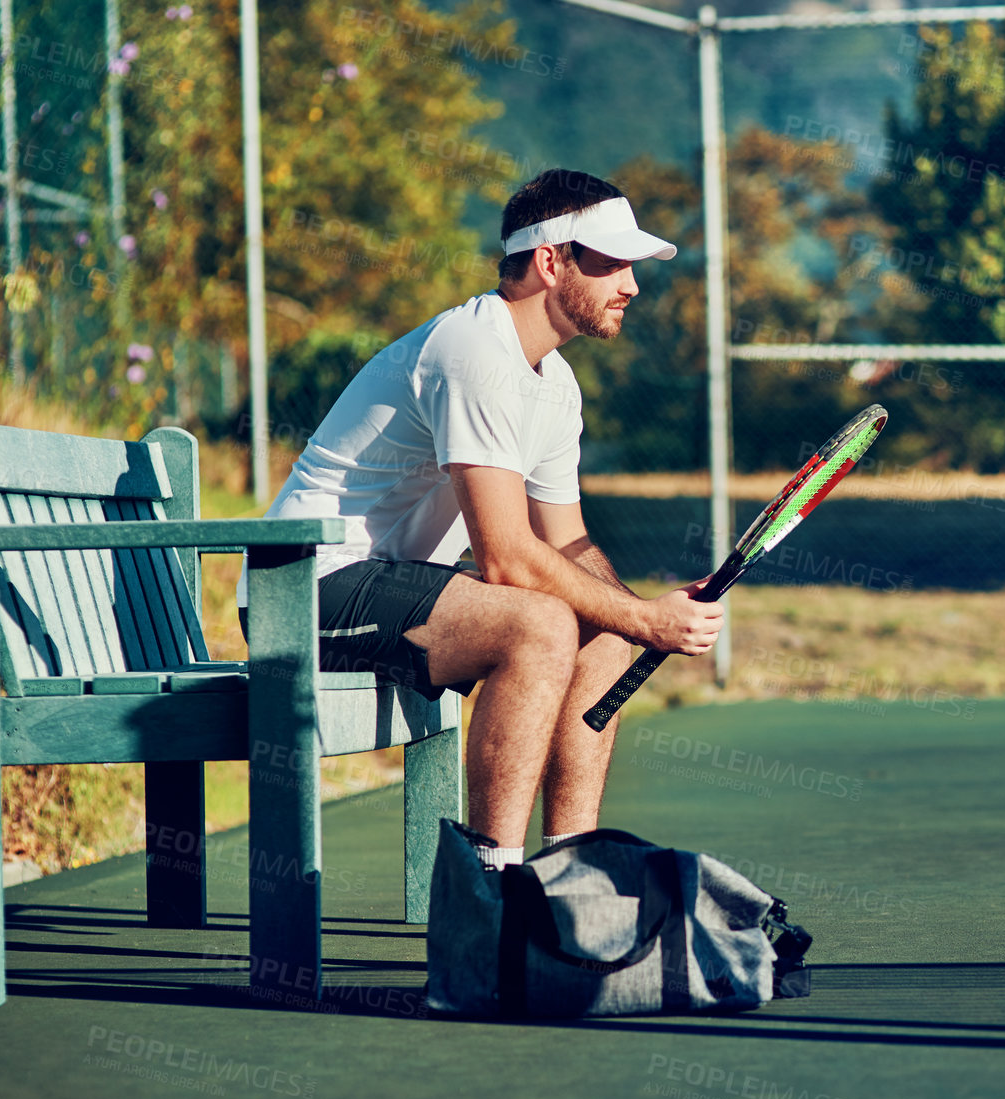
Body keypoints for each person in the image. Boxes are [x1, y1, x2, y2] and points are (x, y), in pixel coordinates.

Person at [235, 169, 724, 868]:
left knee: (607, 632)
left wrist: (640, 612)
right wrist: (648, 621)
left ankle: (570, 876)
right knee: (542, 621)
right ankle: (491, 890)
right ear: (551, 262)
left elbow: (570, 544)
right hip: (302, 593)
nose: (632, 286)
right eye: (613, 263)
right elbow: (507, 559)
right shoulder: (472, 353)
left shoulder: (554, 385)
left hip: (394, 587)